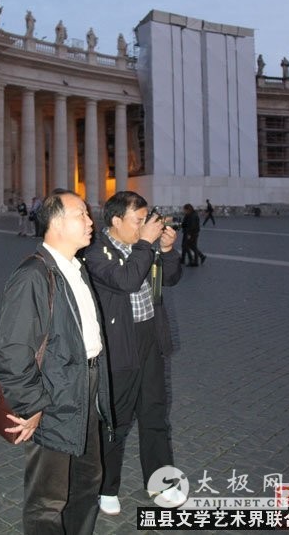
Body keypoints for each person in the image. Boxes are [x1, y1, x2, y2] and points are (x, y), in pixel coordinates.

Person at [0, 190, 112, 534]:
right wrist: (31, 404)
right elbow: (13, 351)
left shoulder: (75, 268)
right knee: (48, 498)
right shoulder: (33, 274)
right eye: (81, 215)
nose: (90, 222)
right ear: (56, 223)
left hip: (86, 390)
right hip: (53, 396)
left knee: (87, 481)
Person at [83, 191, 182, 516]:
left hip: (149, 339)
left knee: (155, 414)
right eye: (138, 220)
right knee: (116, 419)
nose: (144, 226)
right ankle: (106, 487)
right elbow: (126, 280)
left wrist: (166, 250)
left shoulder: (144, 247)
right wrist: (146, 244)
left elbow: (169, 279)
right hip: (119, 344)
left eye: (145, 219)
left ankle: (161, 482)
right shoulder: (96, 252)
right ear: (116, 220)